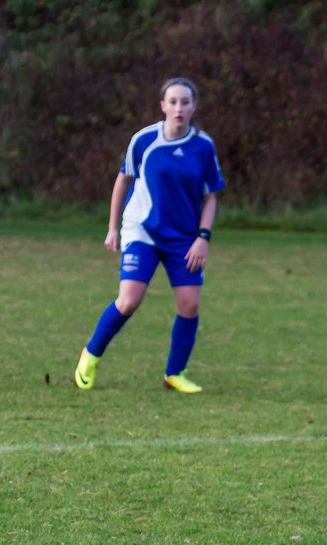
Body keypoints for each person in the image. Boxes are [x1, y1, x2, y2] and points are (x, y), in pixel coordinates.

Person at [73, 77, 224, 393]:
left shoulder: (203, 147)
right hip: (142, 230)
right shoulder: (144, 140)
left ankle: (174, 373)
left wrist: (203, 237)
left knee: (189, 306)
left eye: (185, 102)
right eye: (173, 102)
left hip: (184, 237)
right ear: (163, 106)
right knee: (128, 301)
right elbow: (122, 181)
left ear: (194, 106)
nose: (179, 108)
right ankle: (91, 354)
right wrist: (113, 227)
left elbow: (210, 196)